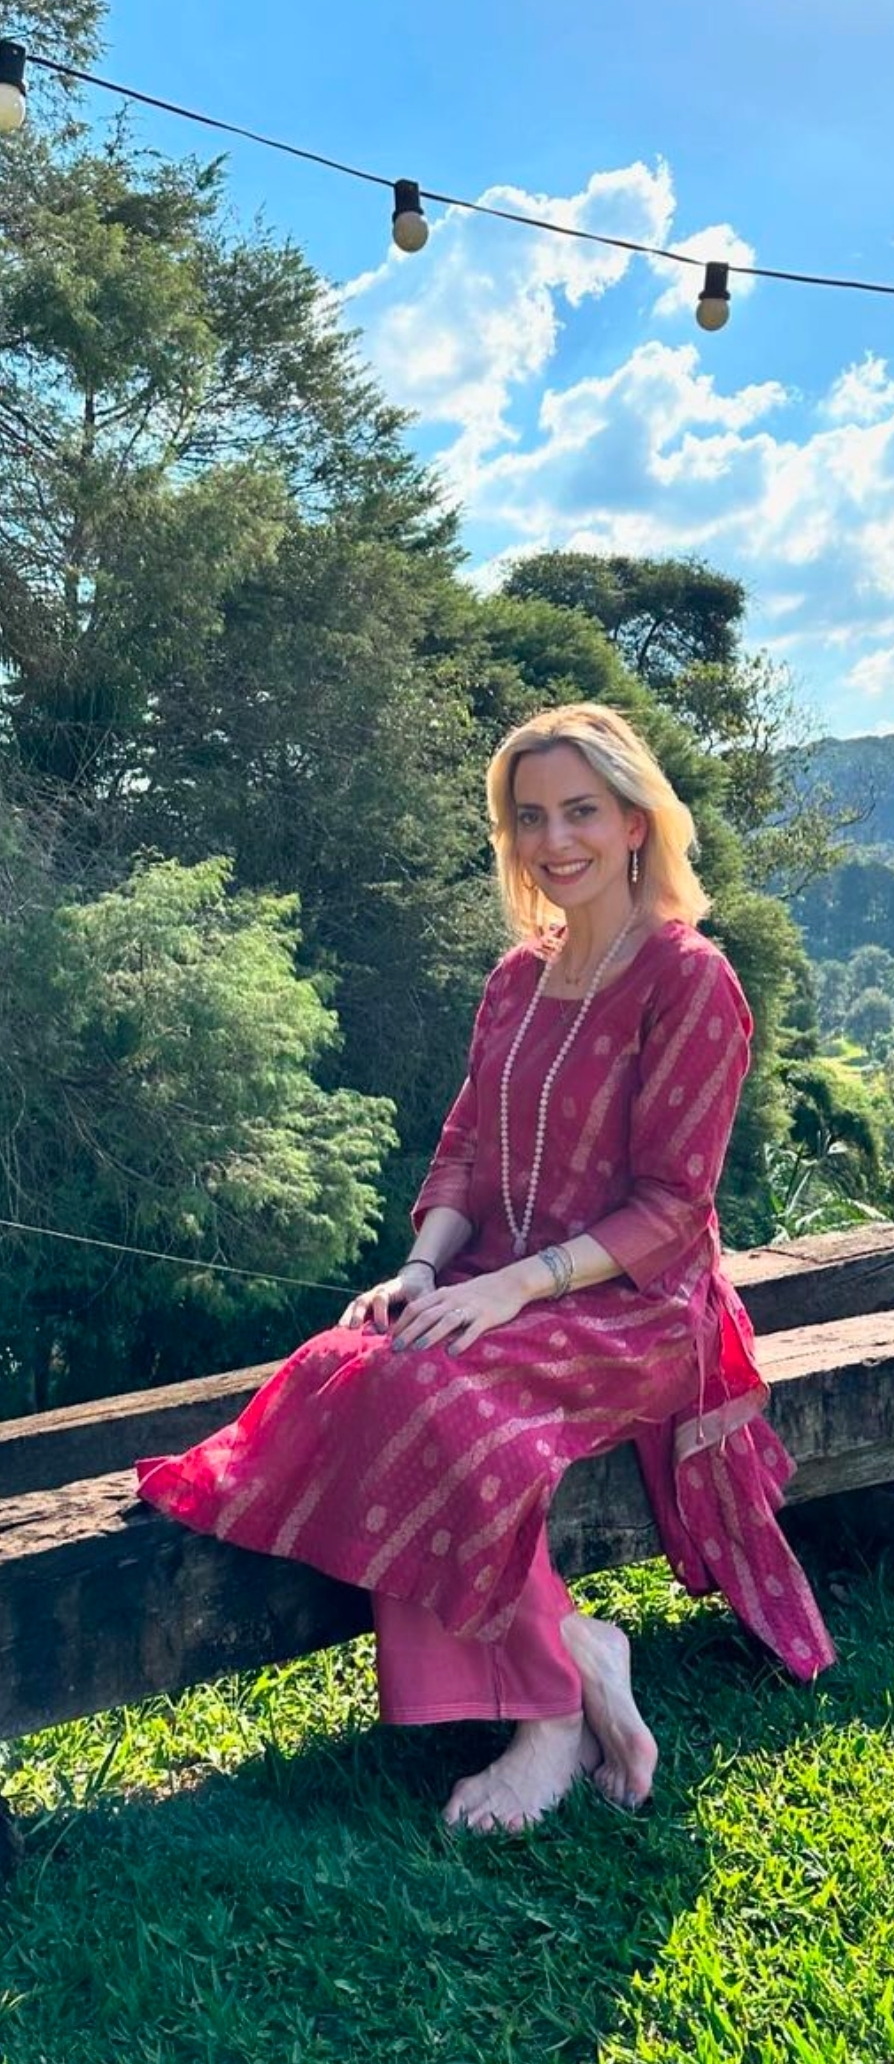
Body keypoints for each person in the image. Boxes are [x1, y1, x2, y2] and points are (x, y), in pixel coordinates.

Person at [136, 702, 834, 1832]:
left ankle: (549, 1717)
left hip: (637, 1309)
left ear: (636, 823)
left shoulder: (690, 980)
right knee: (345, 1361)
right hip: (491, 1279)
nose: (555, 840)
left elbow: (674, 1208)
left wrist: (514, 1285)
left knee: (433, 1399)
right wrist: (423, 1269)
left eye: (580, 812)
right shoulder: (518, 977)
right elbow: (462, 1147)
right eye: (530, 818)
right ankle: (576, 1648)